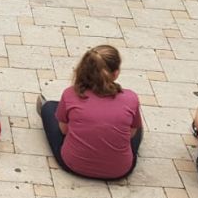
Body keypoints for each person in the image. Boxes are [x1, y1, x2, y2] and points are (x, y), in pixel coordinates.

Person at [37, 45, 143, 180]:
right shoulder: (131, 98)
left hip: (74, 165)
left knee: (49, 108)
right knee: (136, 126)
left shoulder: (70, 94)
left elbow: (63, 130)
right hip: (120, 171)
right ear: (115, 73)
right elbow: (131, 134)